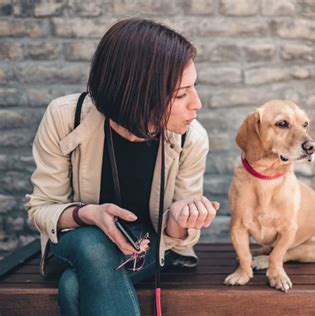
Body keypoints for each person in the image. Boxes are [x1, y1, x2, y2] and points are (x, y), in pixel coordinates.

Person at [25, 18, 220, 316]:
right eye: (181, 94)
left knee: (73, 287)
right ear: (138, 92)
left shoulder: (191, 137)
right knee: (92, 242)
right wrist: (87, 214)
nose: (197, 104)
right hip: (76, 241)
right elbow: (41, 209)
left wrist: (182, 219)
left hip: (145, 244)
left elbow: (174, 236)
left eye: (194, 88)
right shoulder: (66, 118)